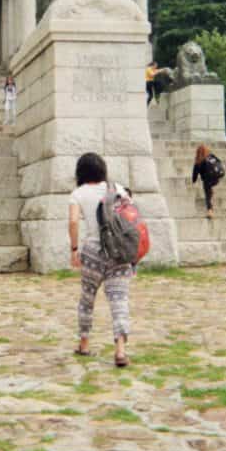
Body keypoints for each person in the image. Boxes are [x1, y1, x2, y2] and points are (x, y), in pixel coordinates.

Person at [68, 152, 133, 368]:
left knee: (87, 298)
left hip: (93, 250)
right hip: (119, 250)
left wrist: (74, 248)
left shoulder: (78, 193)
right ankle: (120, 350)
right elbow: (130, 219)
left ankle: (84, 343)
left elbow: (74, 222)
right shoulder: (118, 189)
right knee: (119, 299)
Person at [192, 144, 222, 219]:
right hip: (216, 178)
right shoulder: (211, 156)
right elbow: (219, 162)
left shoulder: (199, 160)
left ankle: (210, 211)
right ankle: (211, 190)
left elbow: (195, 173)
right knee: (210, 189)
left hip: (207, 180)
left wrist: (193, 181)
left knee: (207, 196)